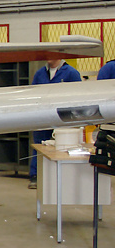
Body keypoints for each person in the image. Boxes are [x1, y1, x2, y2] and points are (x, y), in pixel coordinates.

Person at [29, 59, 82, 188]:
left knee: (62, 147)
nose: (48, 57)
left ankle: (61, 177)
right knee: (40, 147)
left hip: (62, 119)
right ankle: (36, 176)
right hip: (42, 118)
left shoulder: (71, 73)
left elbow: (79, 95)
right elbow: (33, 93)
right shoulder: (40, 73)